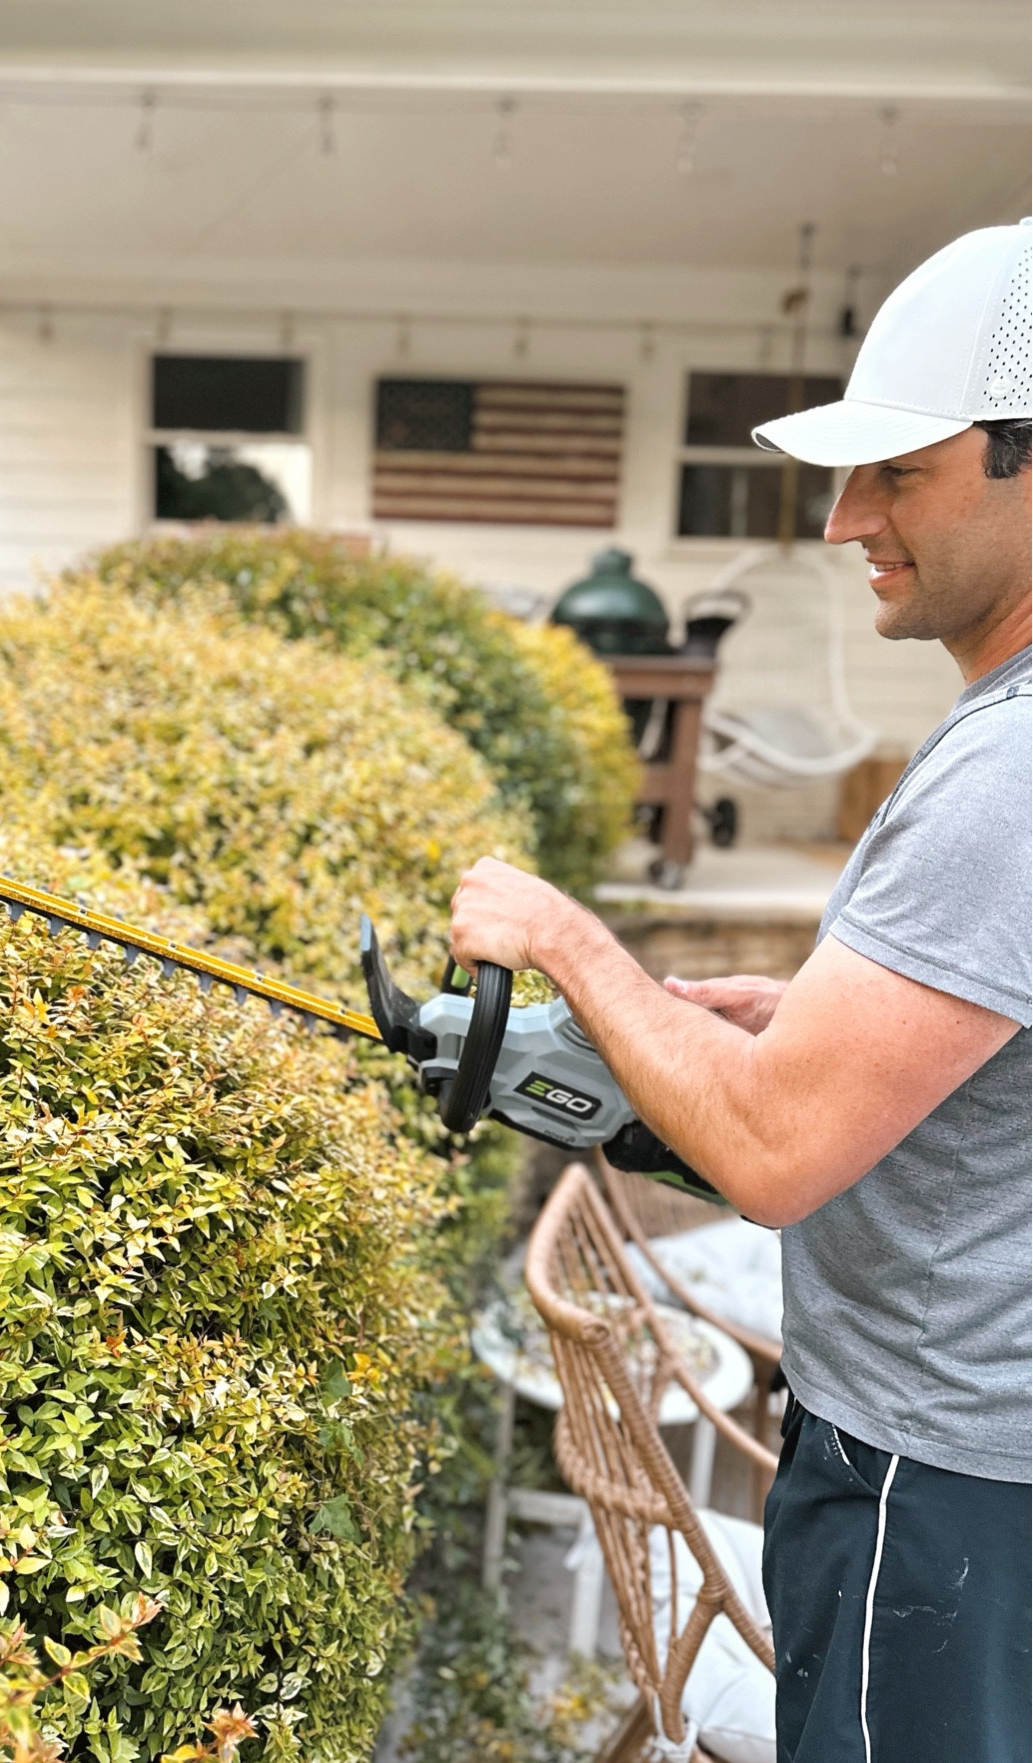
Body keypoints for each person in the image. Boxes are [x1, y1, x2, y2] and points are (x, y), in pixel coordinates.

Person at [448, 219, 1031, 1763]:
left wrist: (572, 944)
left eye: (898, 470)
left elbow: (768, 1161)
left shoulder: (1009, 775)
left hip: (937, 1489)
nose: (846, 520)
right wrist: (846, 1017)